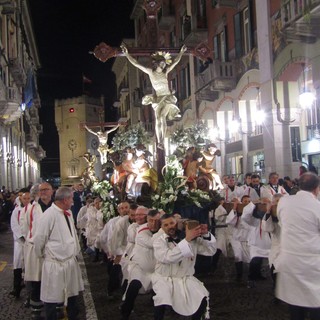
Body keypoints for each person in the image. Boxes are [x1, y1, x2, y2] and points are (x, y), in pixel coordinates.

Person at [121, 44, 187, 148]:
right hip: (157, 99)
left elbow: (175, 62)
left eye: (164, 64)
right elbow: (137, 64)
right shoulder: (151, 72)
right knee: (158, 119)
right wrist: (127, 54)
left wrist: (181, 53)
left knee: (162, 117)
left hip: (167, 97)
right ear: (157, 64)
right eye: (162, 63)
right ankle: (159, 141)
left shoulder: (165, 73)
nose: (164, 65)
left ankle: (162, 140)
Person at [152, 213, 216, 319]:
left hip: (185, 278)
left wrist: (205, 234)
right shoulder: (159, 241)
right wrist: (187, 240)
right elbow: (168, 258)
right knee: (162, 302)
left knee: (202, 298)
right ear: (161, 227)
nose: (170, 226)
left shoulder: (191, 239)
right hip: (165, 278)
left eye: (172, 223)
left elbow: (210, 251)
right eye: (166, 225)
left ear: (177, 223)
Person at [34, 186, 84, 320]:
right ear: (65, 200)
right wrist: (41, 255)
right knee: (52, 296)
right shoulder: (49, 215)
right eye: (71, 199)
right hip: (55, 263)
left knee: (72, 293)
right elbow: (39, 238)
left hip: (69, 262)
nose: (73, 201)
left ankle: (73, 316)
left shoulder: (67, 212)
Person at [276, 172, 320, 320]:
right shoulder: (317, 206)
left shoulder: (284, 202)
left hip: (290, 258)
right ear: (316, 188)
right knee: (316, 299)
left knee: (295, 299)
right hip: (312, 262)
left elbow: (282, 223)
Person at [120, 209, 161, 320]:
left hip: (156, 269)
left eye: (156, 221)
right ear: (147, 220)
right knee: (134, 286)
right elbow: (153, 243)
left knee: (162, 290)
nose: (153, 224)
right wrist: (162, 230)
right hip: (140, 267)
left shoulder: (162, 229)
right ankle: (125, 311)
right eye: (150, 220)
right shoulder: (141, 231)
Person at [23, 182, 54, 318]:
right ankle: (36, 309)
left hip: (53, 249)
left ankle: (55, 306)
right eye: (41, 190)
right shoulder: (31, 209)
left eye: (46, 190)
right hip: (36, 249)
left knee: (53, 279)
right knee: (37, 280)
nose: (44, 192)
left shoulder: (56, 207)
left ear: (52, 191)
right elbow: (25, 227)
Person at [10, 189, 30, 298]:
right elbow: (14, 226)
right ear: (21, 199)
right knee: (18, 265)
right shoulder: (16, 211)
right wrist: (22, 238)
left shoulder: (33, 209)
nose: (26, 200)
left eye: (28, 198)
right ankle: (16, 288)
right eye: (24, 198)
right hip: (20, 243)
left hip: (30, 243)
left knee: (29, 268)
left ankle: (30, 294)